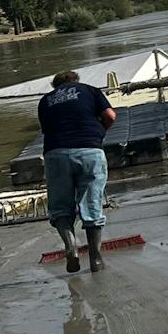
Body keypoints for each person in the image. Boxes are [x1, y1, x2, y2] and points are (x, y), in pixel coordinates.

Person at [38, 68, 116, 277]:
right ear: (75, 80)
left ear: (55, 86)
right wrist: (98, 133)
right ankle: (95, 258)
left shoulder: (46, 100)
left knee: (61, 206)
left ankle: (71, 246)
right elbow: (110, 115)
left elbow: (46, 130)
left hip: (56, 153)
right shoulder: (90, 90)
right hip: (89, 151)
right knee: (92, 204)